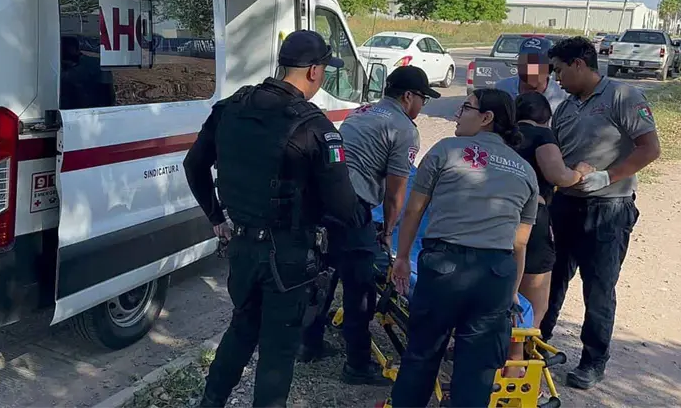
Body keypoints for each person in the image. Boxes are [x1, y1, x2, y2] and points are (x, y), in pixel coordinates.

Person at [184, 30, 360, 408]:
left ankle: (210, 403)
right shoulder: (316, 128)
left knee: (241, 329)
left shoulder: (232, 106)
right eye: (325, 71)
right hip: (289, 255)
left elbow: (193, 164)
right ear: (314, 71)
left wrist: (216, 215)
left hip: (243, 247)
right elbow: (343, 206)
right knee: (278, 352)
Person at [388, 88, 539, 408]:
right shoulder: (525, 171)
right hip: (495, 276)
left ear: (487, 118)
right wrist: (511, 291)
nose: (458, 114)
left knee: (421, 358)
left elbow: (413, 210)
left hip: (445, 269)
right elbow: (520, 243)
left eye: (466, 108)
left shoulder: (446, 151)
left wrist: (401, 258)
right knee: (477, 371)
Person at [297, 65, 436, 385]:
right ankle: (358, 365)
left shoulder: (363, 111)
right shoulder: (404, 128)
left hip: (320, 200)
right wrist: (387, 232)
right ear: (408, 97)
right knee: (360, 286)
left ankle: (308, 343)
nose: (422, 107)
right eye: (422, 100)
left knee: (325, 273)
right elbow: (396, 192)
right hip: (350, 207)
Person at [540, 36, 661, 389]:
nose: (556, 78)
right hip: (566, 206)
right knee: (550, 278)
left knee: (599, 288)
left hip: (608, 209)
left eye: (560, 70)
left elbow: (649, 148)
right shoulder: (565, 108)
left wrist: (608, 177)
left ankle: (593, 361)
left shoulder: (623, 97)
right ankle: (539, 344)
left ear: (579, 64)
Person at [505, 91, 594, 375]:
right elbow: (558, 176)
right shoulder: (542, 137)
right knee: (533, 297)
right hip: (532, 218)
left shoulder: (503, 136)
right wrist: (579, 172)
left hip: (495, 216)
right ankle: (516, 364)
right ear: (547, 117)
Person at [494, 36, 569, 114]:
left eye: (537, 63)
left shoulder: (561, 96)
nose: (530, 69)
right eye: (525, 62)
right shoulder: (502, 89)